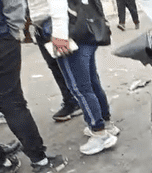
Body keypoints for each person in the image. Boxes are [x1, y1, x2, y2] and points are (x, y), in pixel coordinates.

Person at [0, 0, 68, 173]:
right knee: (12, 103)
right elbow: (13, 3)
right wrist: (13, 30)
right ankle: (40, 162)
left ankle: (1, 166)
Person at [49, 0, 119, 155]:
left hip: (70, 33)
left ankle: (99, 132)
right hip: (87, 29)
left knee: (80, 88)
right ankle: (105, 123)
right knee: (92, 82)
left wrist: (60, 36)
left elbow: (57, 4)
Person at [27, 0, 82, 121]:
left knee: (69, 67)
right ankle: (71, 100)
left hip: (52, 22)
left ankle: (82, 105)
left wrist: (59, 33)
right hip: (41, 25)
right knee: (55, 66)